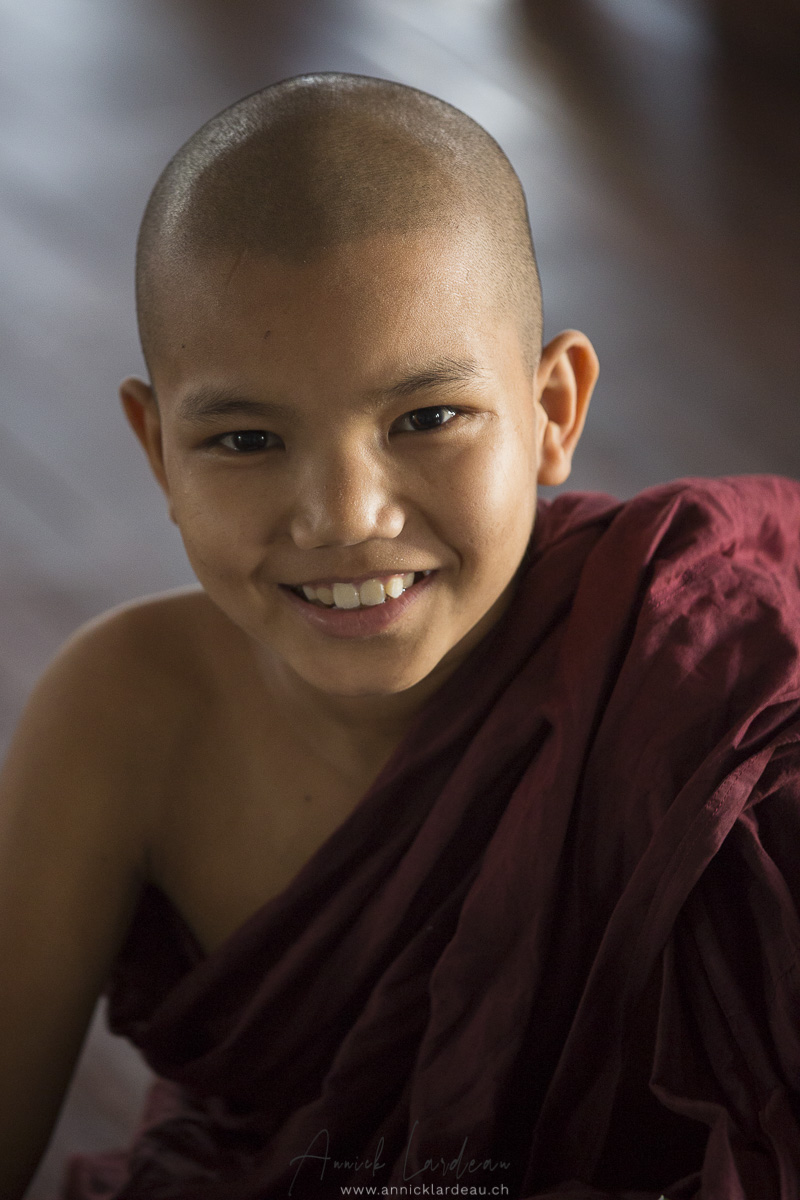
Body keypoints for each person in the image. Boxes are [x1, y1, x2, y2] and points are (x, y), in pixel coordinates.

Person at [1, 73, 798, 1200]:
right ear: (157, 449)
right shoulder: (125, 716)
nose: (344, 516)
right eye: (245, 440)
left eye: (427, 419)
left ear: (553, 411)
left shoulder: (716, 682)